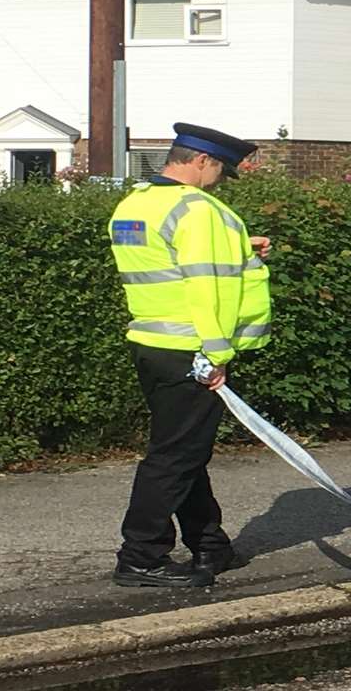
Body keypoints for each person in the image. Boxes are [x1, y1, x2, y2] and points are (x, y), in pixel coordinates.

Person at [109, 123, 271, 587]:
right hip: (192, 349)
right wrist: (217, 354)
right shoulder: (201, 211)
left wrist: (241, 246)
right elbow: (207, 288)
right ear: (202, 161)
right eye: (220, 171)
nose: (218, 182)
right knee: (173, 457)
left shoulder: (135, 205)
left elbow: (167, 264)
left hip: (151, 342)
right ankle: (140, 556)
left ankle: (210, 545)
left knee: (184, 451)